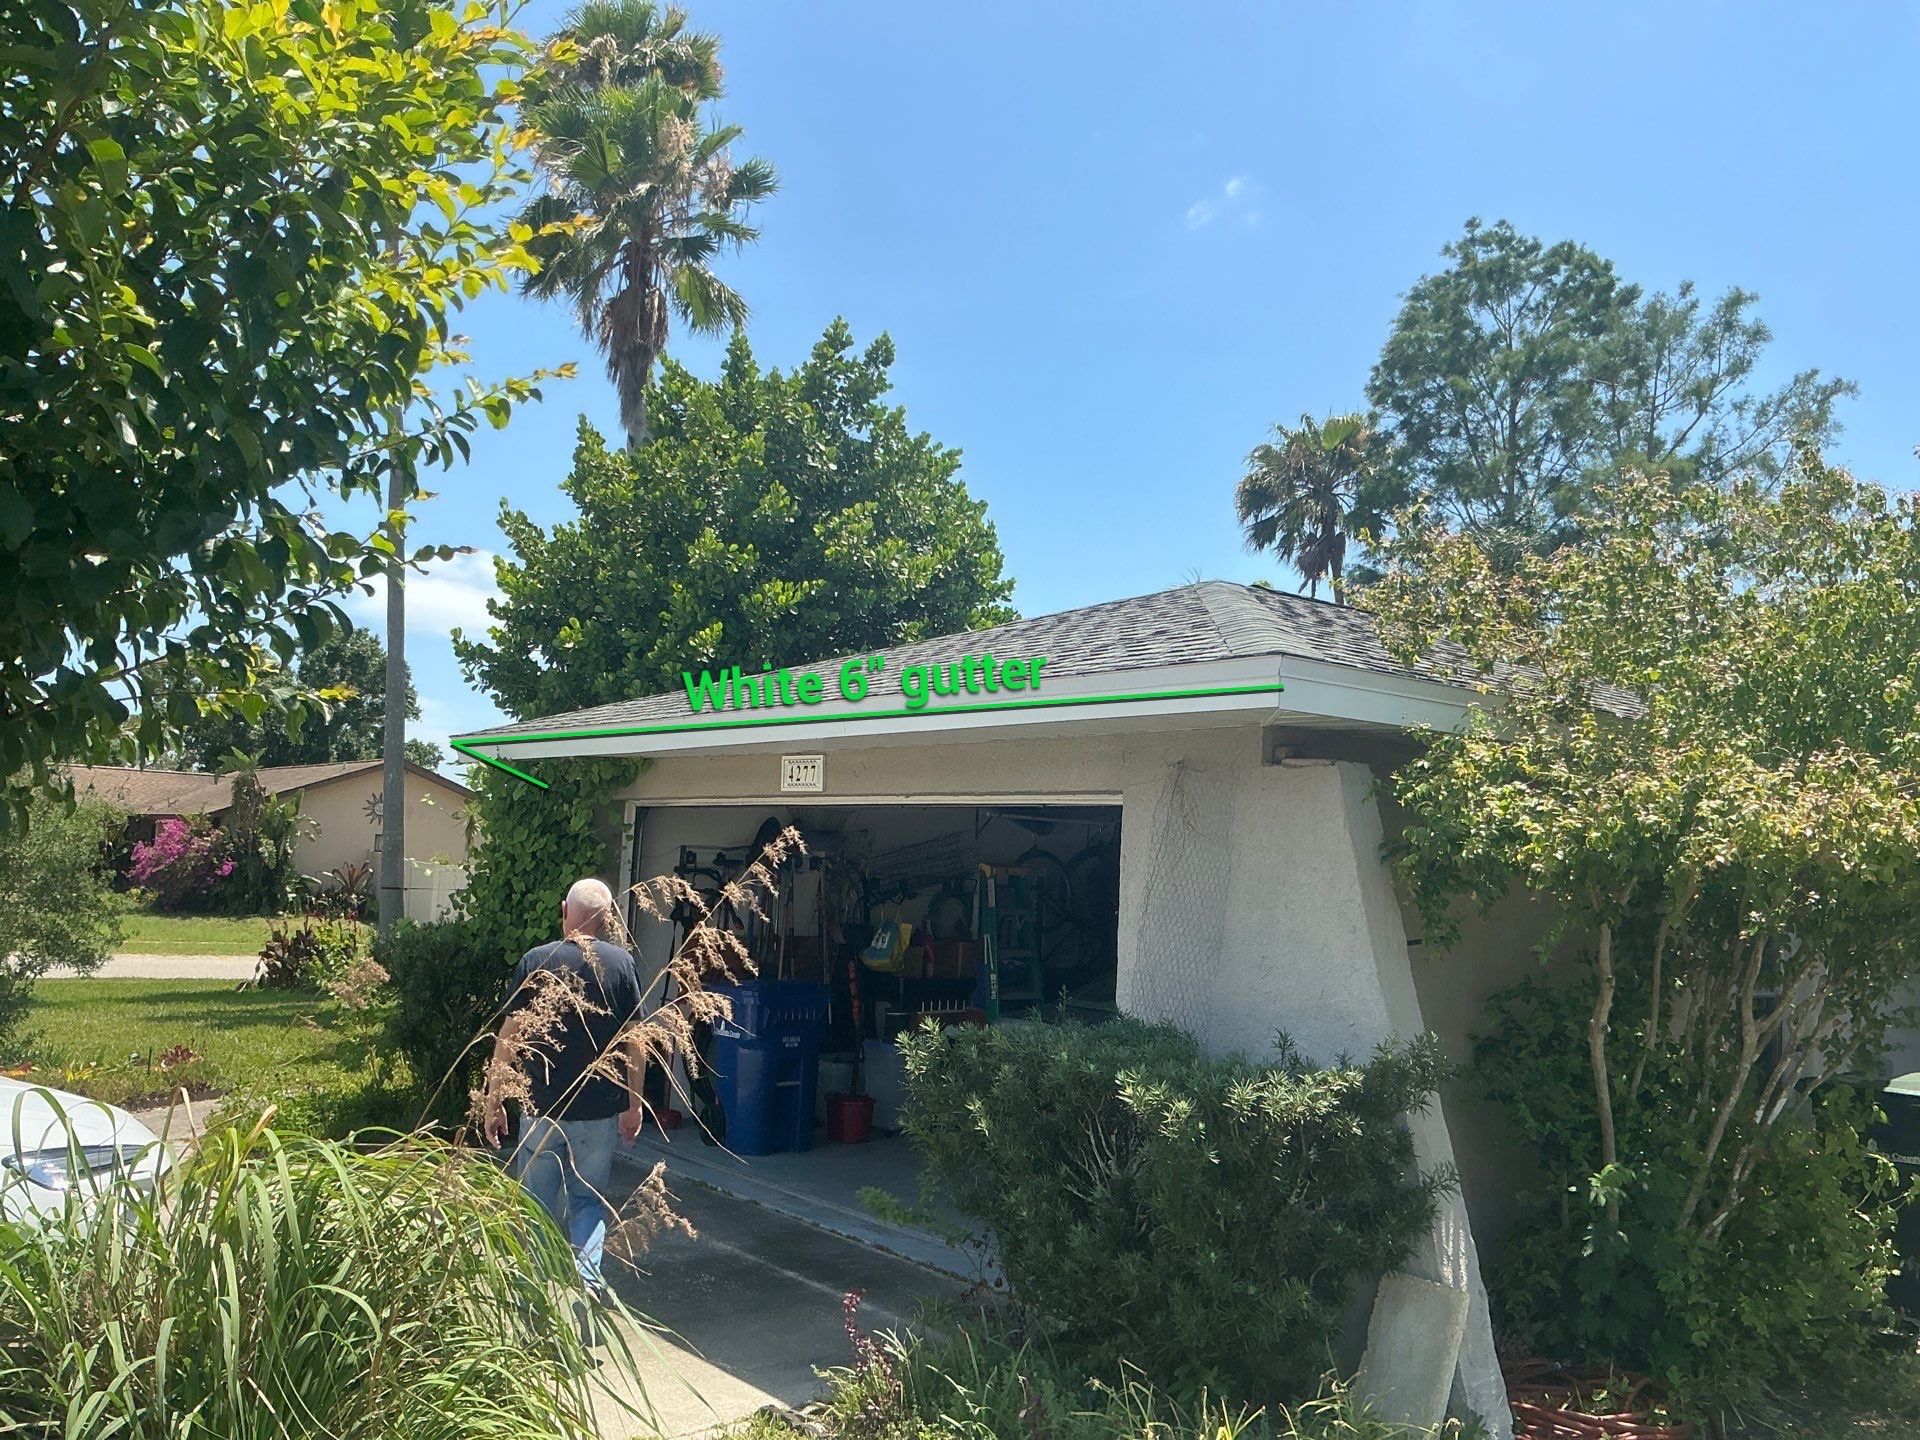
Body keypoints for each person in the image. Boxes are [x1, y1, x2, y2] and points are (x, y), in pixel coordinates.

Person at [482, 877, 647, 1297]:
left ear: (564, 910)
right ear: (607, 918)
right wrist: (634, 1104)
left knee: (535, 1205)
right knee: (588, 1202)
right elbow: (635, 1042)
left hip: (541, 1108)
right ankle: (588, 1281)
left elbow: (508, 1037)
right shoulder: (622, 965)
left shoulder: (537, 959)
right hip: (597, 1113)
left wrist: (494, 1100)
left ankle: (536, 1291)